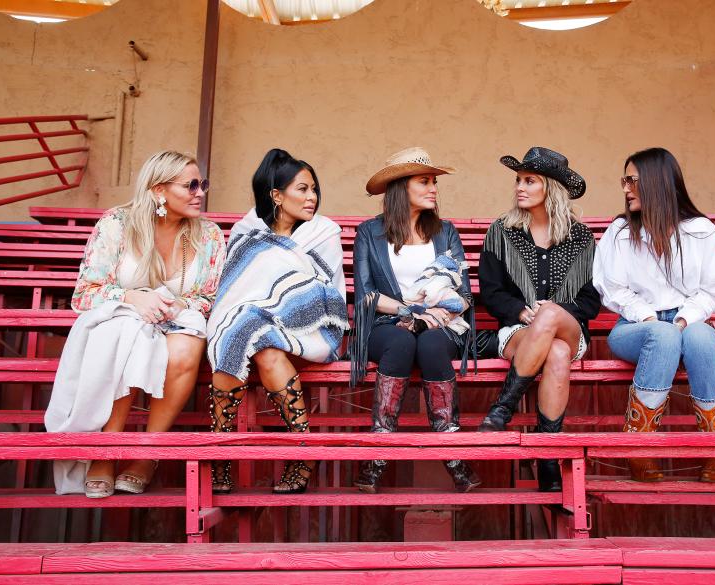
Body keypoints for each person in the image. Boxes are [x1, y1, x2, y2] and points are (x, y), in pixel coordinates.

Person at [45, 150, 225, 498]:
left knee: (189, 343)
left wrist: (176, 304)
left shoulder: (210, 236)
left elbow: (211, 298)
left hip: (176, 320)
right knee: (127, 334)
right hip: (123, 318)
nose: (199, 192)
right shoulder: (116, 223)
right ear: (159, 190)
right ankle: (108, 450)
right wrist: (133, 298)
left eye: (201, 184)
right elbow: (84, 294)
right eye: (190, 185)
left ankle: (147, 452)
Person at [206, 148, 347, 494]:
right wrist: (259, 312)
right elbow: (236, 287)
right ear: (277, 195)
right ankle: (224, 450)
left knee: (246, 331)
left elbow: (324, 291)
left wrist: (270, 308)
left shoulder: (323, 232)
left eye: (314, 189)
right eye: (303, 189)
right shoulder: (247, 229)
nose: (312, 197)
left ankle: (296, 451)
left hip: (311, 324)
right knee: (249, 336)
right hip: (254, 324)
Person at [593, 147, 715, 483]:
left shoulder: (700, 230)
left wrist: (684, 318)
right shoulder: (620, 231)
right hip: (635, 326)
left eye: (632, 180)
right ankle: (639, 443)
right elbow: (612, 288)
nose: (625, 188)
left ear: (657, 182)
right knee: (664, 334)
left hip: (690, 321)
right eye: (624, 180)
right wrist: (649, 318)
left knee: (701, 335)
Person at [350, 146, 481, 494]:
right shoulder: (369, 233)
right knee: (402, 339)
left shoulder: (445, 232)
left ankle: (451, 452)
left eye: (434, 182)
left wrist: (433, 316)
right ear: (400, 187)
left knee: (430, 342)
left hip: (442, 323)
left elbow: (464, 294)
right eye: (424, 182)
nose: (433, 189)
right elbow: (366, 295)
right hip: (385, 325)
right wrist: (407, 313)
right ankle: (379, 451)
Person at [477, 147, 601, 492]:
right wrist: (520, 310)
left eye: (529, 181)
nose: (520, 187)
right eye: (518, 180)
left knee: (552, 319)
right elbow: (490, 291)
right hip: (519, 330)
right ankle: (548, 454)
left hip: (570, 327)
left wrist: (557, 311)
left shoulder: (581, 238)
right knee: (557, 353)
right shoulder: (501, 232)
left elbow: (592, 299)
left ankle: (502, 409)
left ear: (551, 187)